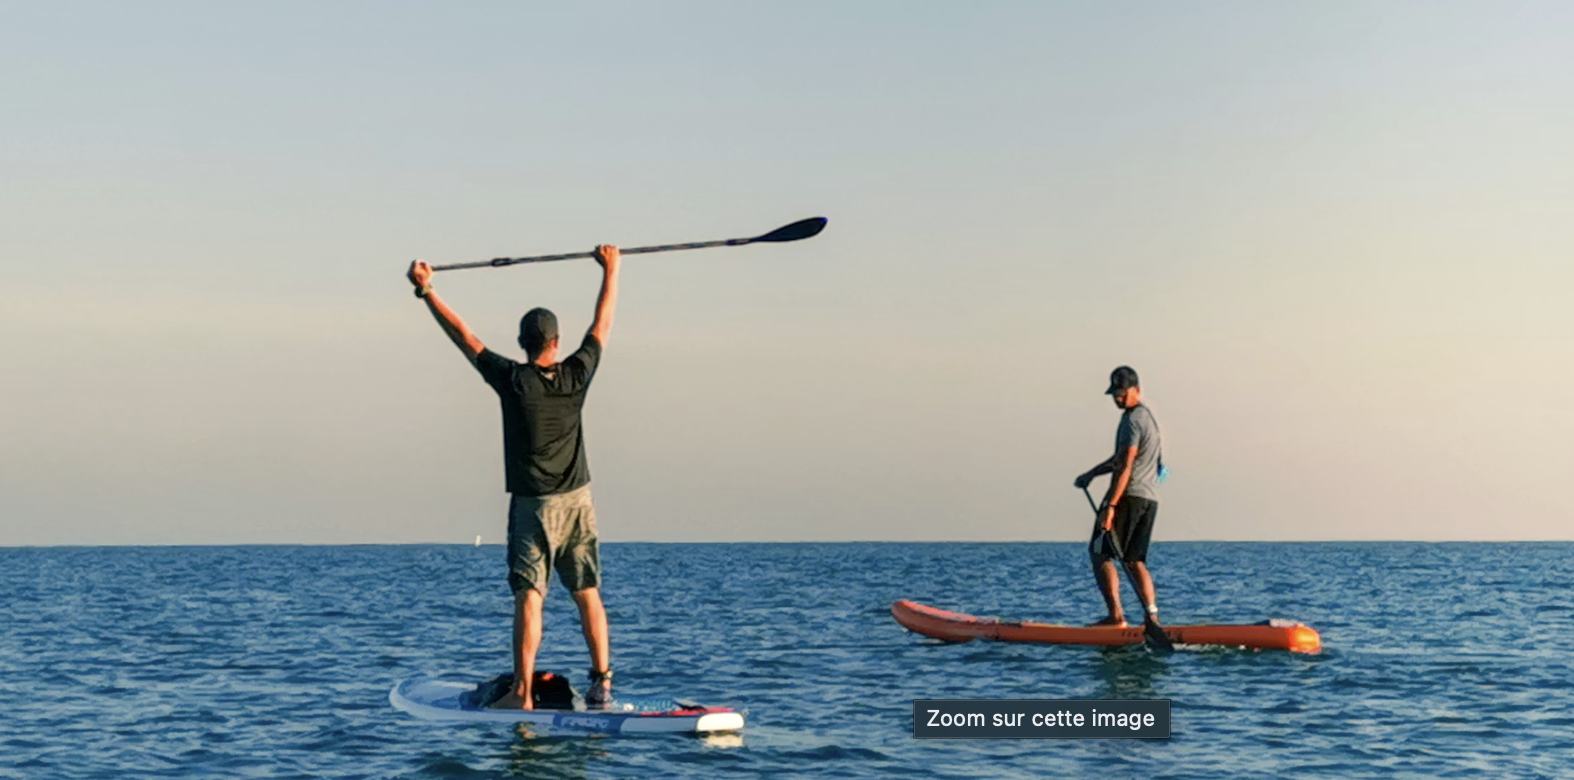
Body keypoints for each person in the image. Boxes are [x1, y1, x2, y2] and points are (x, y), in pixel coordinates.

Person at [406, 244, 621, 709]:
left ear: (523, 343)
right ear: (555, 342)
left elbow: (463, 336)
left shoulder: (512, 380)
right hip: (579, 502)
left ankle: (523, 695)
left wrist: (427, 292)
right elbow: (601, 324)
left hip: (533, 506)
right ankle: (602, 684)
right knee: (588, 592)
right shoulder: (576, 375)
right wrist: (612, 269)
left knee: (530, 597)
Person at [1073, 365, 1164, 632]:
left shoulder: (1132, 420)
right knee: (1134, 560)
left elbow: (1125, 465)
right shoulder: (1149, 419)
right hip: (1149, 499)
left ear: (1137, 390)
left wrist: (1111, 506)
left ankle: (1116, 617)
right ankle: (1152, 619)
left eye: (1123, 393)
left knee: (1099, 553)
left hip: (1128, 498)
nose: (1118, 398)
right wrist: (1092, 473)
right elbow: (1122, 459)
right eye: (1115, 393)